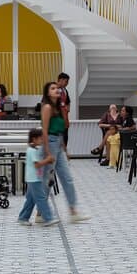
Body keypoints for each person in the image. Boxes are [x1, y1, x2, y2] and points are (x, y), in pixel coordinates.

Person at [41, 81, 89, 223]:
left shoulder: (58, 108)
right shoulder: (47, 107)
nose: (57, 90)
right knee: (48, 180)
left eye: (58, 88)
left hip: (58, 143)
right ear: (48, 92)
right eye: (53, 88)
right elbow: (44, 130)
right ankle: (40, 212)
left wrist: (64, 149)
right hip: (49, 143)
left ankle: (73, 211)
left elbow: (62, 130)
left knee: (67, 178)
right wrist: (48, 152)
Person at [17, 128, 58, 227]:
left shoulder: (34, 149)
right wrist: (48, 160)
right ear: (34, 139)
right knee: (41, 198)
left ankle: (23, 217)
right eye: (40, 139)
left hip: (34, 178)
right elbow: (37, 165)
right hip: (34, 179)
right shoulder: (32, 151)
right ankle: (48, 218)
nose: (42, 141)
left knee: (31, 200)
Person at [56, 72, 71, 146]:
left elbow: (68, 102)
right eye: (66, 81)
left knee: (65, 138)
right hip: (56, 119)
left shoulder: (65, 90)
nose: (67, 83)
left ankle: (63, 154)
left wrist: (67, 110)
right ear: (60, 80)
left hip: (64, 118)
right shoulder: (53, 89)